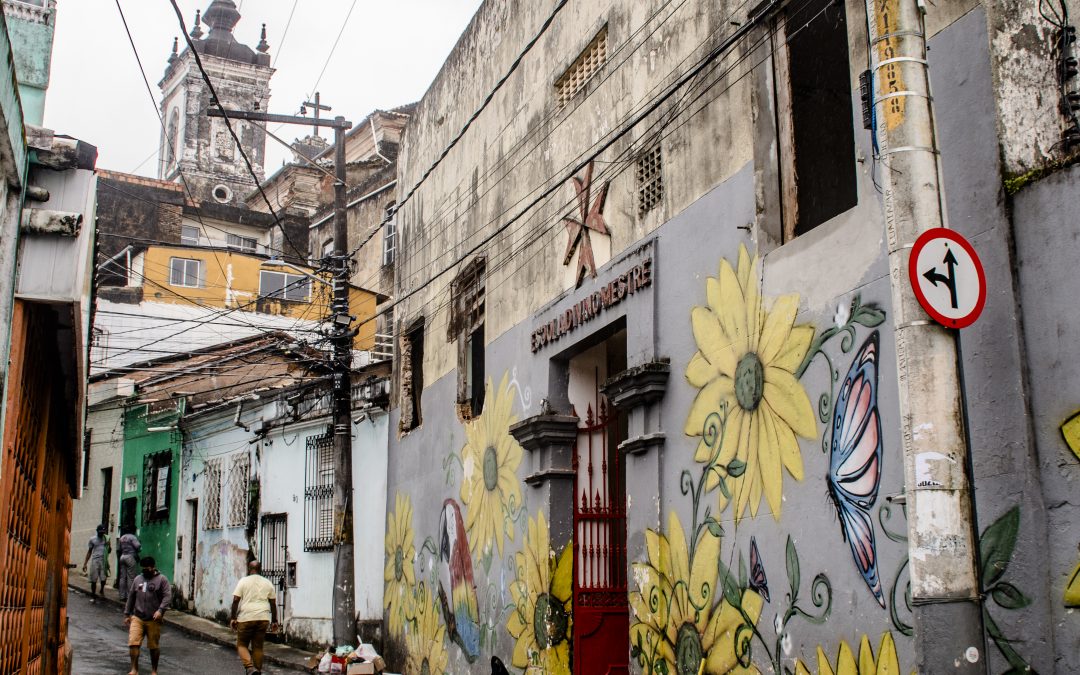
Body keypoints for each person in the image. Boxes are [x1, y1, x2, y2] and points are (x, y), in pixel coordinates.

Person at [229, 560, 279, 675]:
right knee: (258, 647)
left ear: (249, 568)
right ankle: (258, 671)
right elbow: (273, 603)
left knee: (241, 644)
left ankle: (250, 668)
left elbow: (236, 600)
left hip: (246, 617)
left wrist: (233, 618)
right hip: (263, 618)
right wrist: (275, 621)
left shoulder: (243, 581)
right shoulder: (267, 583)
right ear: (260, 569)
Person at [124, 556, 171, 675]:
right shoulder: (138, 579)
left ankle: (154, 670)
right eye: (143, 569)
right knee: (133, 643)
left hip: (153, 619)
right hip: (137, 617)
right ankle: (134, 669)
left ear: (153, 567)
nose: (145, 571)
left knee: (153, 646)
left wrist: (160, 611)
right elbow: (131, 596)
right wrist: (127, 614)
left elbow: (167, 597)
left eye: (147, 568)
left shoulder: (162, 580)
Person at [81, 524, 111, 603]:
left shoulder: (106, 538)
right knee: (93, 579)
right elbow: (89, 551)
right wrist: (85, 563)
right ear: (97, 531)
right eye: (100, 532)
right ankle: (93, 595)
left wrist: (109, 545)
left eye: (103, 532)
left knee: (103, 578)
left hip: (103, 560)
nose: (102, 534)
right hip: (95, 560)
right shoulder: (92, 539)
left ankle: (101, 590)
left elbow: (109, 550)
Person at [117, 526, 142, 600]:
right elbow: (138, 546)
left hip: (122, 557)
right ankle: (129, 596)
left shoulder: (122, 538)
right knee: (131, 578)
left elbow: (119, 549)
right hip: (130, 557)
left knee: (122, 577)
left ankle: (122, 596)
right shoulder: (132, 537)